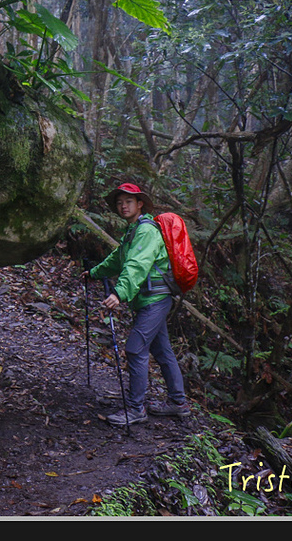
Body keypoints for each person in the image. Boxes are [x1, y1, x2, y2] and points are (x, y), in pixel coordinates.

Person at [83, 182, 190, 425]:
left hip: (155, 300)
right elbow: (118, 259)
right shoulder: (133, 231)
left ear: (139, 204)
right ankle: (178, 402)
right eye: (119, 203)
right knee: (162, 350)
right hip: (148, 299)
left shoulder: (146, 231)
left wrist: (119, 293)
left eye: (128, 202)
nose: (123, 206)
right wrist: (95, 273)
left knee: (135, 348)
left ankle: (135, 409)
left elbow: (137, 265)